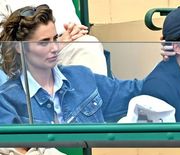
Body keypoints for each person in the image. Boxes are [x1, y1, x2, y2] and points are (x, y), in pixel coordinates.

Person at [0, 5, 142, 124]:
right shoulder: (7, 99)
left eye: (55, 38)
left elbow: (135, 90)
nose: (55, 48)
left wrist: (165, 62)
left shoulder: (82, 77)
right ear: (19, 47)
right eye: (44, 42)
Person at [0, 0, 108, 75]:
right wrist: (55, 43)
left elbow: (75, 27)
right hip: (25, 53)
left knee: (89, 45)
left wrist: (74, 30)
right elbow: (4, 45)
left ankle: (95, 103)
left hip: (67, 46)